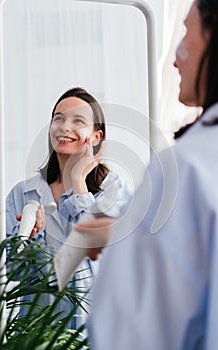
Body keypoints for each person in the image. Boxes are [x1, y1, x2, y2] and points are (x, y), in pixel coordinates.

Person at [75, 1, 218, 348]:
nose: (175, 58)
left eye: (186, 32)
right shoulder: (24, 193)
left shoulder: (188, 168)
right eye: (59, 119)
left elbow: (132, 332)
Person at [6, 87, 130, 330]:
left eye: (78, 121)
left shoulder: (114, 191)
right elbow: (13, 272)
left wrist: (79, 183)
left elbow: (104, 263)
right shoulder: (22, 194)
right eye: (58, 118)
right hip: (36, 337)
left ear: (96, 136)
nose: (64, 126)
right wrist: (31, 238)